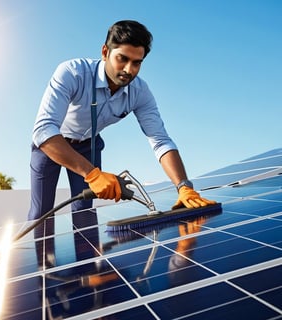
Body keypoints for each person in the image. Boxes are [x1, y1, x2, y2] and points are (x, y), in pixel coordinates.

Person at [28, 20, 216, 223]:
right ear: (105, 52)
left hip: (89, 146)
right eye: (122, 59)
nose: (129, 69)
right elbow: (43, 130)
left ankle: (88, 256)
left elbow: (160, 140)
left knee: (84, 215)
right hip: (53, 145)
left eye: (137, 63)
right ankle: (41, 255)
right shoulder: (72, 73)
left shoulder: (140, 93)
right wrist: (91, 174)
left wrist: (184, 186)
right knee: (41, 214)